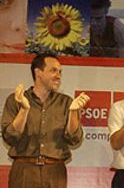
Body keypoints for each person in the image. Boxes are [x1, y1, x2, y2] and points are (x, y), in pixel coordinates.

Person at [1, 53, 90, 188]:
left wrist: (73, 113)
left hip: (55, 172)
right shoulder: (16, 100)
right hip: (24, 170)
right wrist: (24, 109)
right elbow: (10, 137)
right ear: (38, 73)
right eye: (53, 70)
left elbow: (74, 139)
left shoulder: (66, 102)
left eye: (60, 72)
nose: (58, 75)